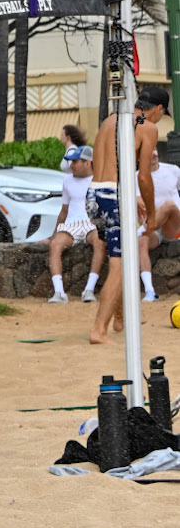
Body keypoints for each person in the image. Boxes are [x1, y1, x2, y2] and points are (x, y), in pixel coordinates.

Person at [89, 84, 170, 344]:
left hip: (94, 195)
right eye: (162, 114)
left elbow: (107, 165)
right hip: (113, 198)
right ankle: (99, 330)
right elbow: (144, 177)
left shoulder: (110, 120)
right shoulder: (148, 126)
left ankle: (121, 317)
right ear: (157, 109)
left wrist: (128, 196)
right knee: (121, 265)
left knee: (119, 257)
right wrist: (153, 215)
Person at [43, 127, 104, 303]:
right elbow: (64, 210)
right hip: (71, 225)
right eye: (70, 161)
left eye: (75, 162)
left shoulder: (99, 179)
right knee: (55, 244)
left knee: (100, 241)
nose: (71, 165)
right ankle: (59, 292)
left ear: (87, 162)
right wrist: (52, 234)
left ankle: (89, 290)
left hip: (92, 223)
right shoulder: (68, 180)